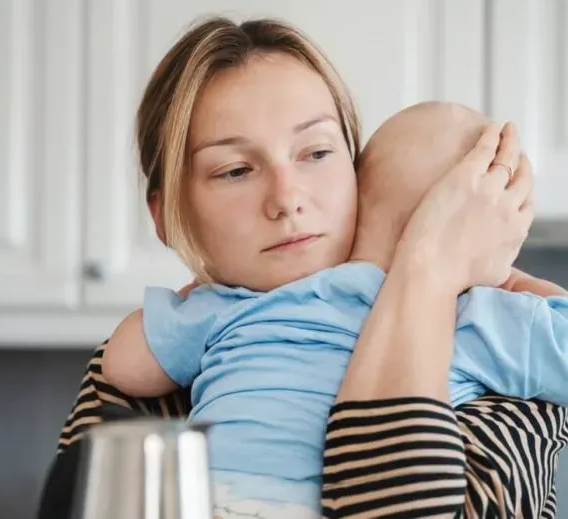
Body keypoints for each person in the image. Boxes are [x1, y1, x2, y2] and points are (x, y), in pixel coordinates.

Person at [38, 17, 568, 519]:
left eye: (315, 153)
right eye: (237, 170)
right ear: (169, 216)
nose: (287, 199)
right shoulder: (179, 351)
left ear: (357, 174)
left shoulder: (496, 359)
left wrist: (428, 270)